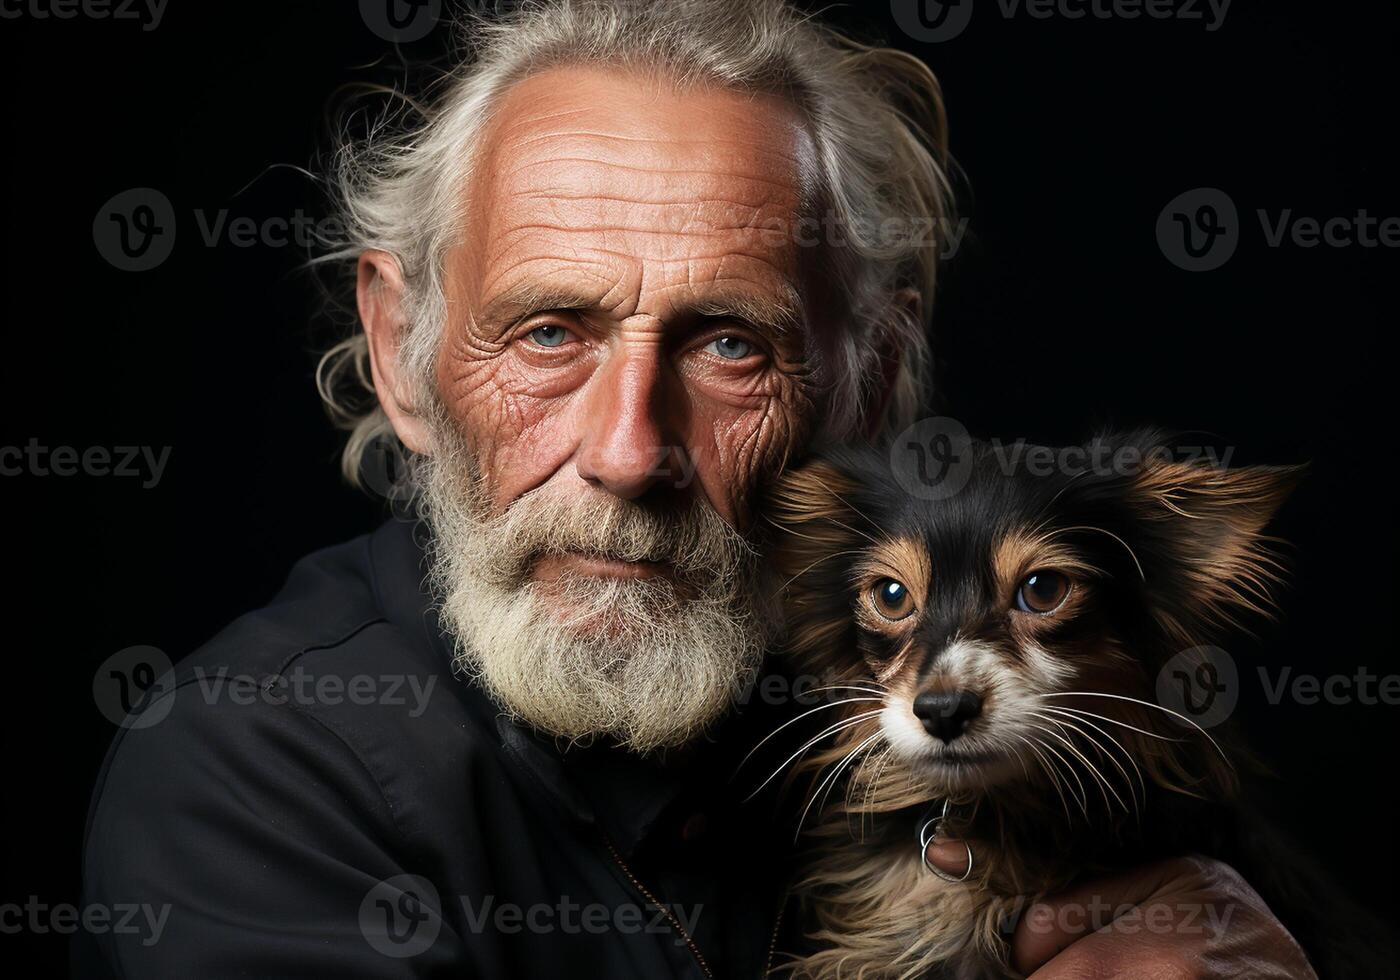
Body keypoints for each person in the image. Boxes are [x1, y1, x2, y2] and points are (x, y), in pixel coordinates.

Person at [77, 1, 1315, 976]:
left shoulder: (907, 705)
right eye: (549, 332)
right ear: (404, 351)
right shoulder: (250, 772)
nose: (627, 449)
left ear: (871, 381)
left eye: (729, 344)